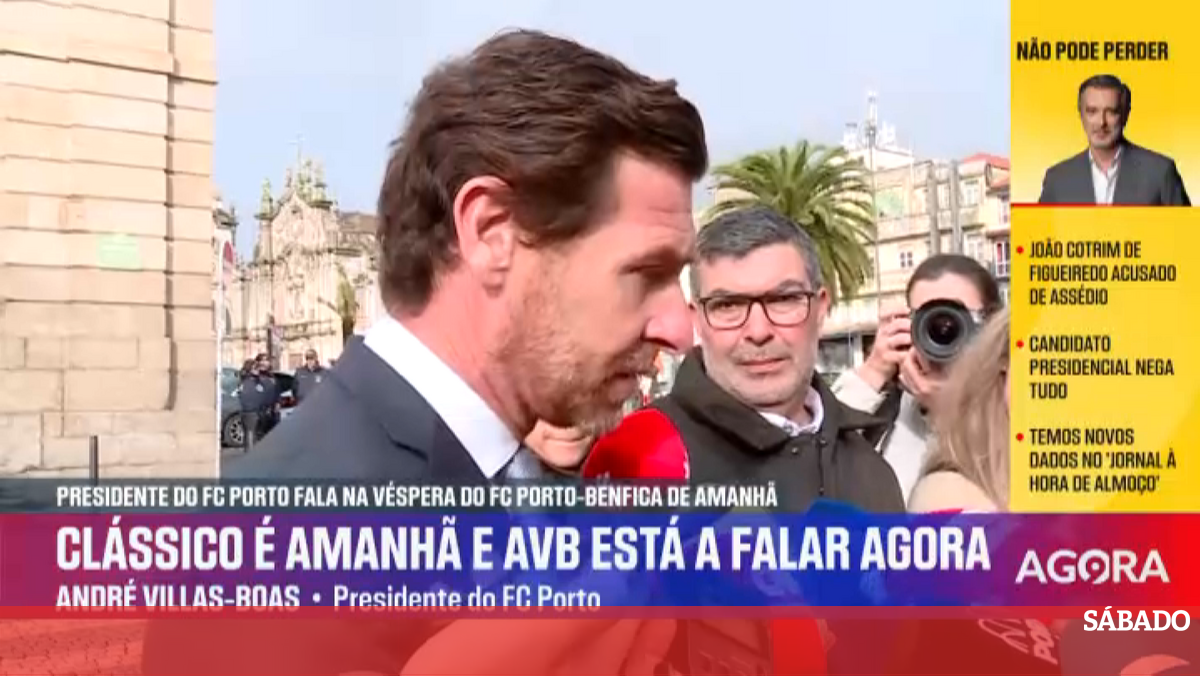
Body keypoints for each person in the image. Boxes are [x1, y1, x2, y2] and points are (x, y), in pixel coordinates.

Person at [145, 28, 706, 676]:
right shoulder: (260, 562)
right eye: (644, 273)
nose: (681, 329)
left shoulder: (524, 479)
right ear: (492, 232)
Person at [602, 205, 904, 512]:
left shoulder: (873, 473)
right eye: (728, 305)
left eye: (783, 299)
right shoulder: (631, 464)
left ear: (821, 308)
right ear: (696, 319)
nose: (758, 332)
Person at [832, 254, 1003, 503]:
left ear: (992, 325)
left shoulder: (1016, 411)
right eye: (926, 317)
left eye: (958, 317)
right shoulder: (886, 411)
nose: (943, 330)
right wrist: (873, 371)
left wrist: (949, 411)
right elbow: (815, 457)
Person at [1038, 74, 1190, 206]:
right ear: (1081, 115)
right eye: (1092, 111)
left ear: (1125, 115)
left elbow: (1187, 230)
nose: (1101, 122)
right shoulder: (1057, 179)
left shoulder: (1160, 172)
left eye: (1111, 112)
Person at [236, 355, 277, 452]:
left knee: (254, 436)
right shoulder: (248, 381)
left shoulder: (257, 380)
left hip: (258, 412)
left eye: (258, 367)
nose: (258, 370)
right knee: (250, 435)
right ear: (250, 369)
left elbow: (267, 394)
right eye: (255, 368)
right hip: (251, 412)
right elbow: (250, 397)